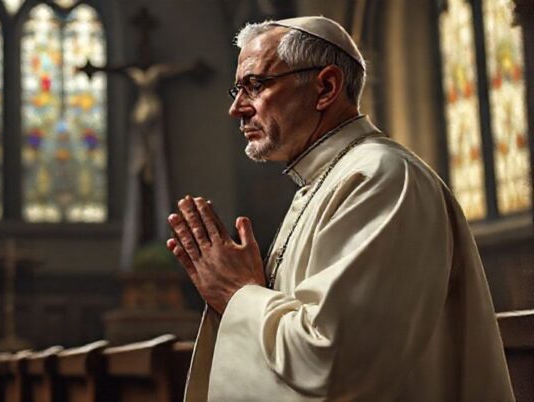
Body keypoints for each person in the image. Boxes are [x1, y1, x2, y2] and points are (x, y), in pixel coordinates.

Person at [166, 16, 514, 401]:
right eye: (238, 88)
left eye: (255, 85)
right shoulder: (327, 181)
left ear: (326, 87)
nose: (237, 108)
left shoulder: (381, 178)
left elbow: (333, 363)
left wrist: (237, 294)